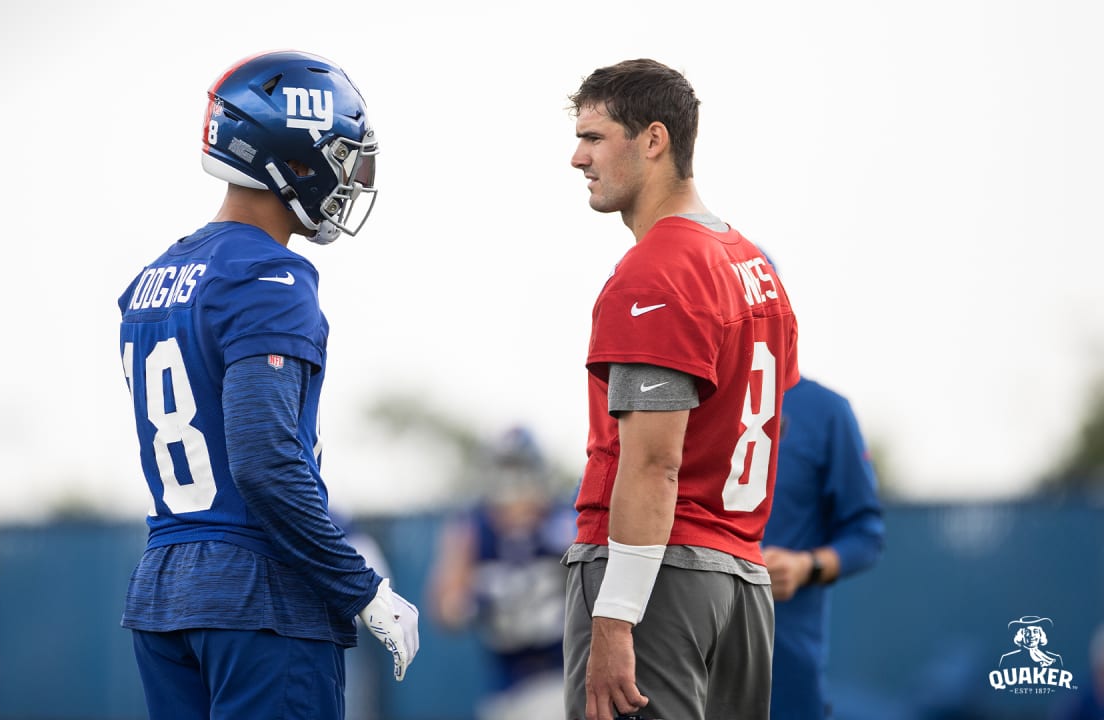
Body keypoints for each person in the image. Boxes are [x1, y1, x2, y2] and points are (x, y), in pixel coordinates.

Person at [117, 50, 418, 720]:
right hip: (259, 596)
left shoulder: (152, 280)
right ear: (295, 156)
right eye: (340, 157)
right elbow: (265, 462)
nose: (349, 178)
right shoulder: (270, 277)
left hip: (166, 587)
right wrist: (361, 589)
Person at [561, 58, 800, 720]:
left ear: (655, 140)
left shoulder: (658, 271)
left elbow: (654, 462)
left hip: (660, 578)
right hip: (741, 582)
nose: (577, 157)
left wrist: (616, 614)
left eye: (595, 136)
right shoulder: (756, 267)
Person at [428, 426, 575, 720]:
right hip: (506, 683)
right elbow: (444, 610)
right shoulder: (471, 531)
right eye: (505, 472)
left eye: (521, 471)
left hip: (564, 675)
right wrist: (465, 602)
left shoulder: (564, 524)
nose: (513, 485)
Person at [761, 373, 885, 719]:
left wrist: (805, 566)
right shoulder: (691, 398)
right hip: (690, 665)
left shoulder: (825, 410)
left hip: (786, 676)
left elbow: (866, 534)